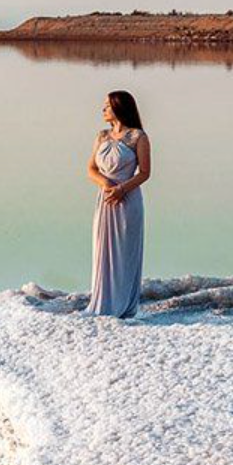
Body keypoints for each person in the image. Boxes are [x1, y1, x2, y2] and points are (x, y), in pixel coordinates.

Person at [86, 89, 149, 317]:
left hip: (128, 200)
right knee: (102, 249)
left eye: (107, 105)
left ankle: (124, 306)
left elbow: (145, 172)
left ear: (119, 107)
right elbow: (91, 169)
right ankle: (103, 303)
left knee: (125, 252)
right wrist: (106, 184)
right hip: (105, 200)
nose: (103, 109)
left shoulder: (138, 137)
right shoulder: (102, 136)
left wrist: (122, 189)